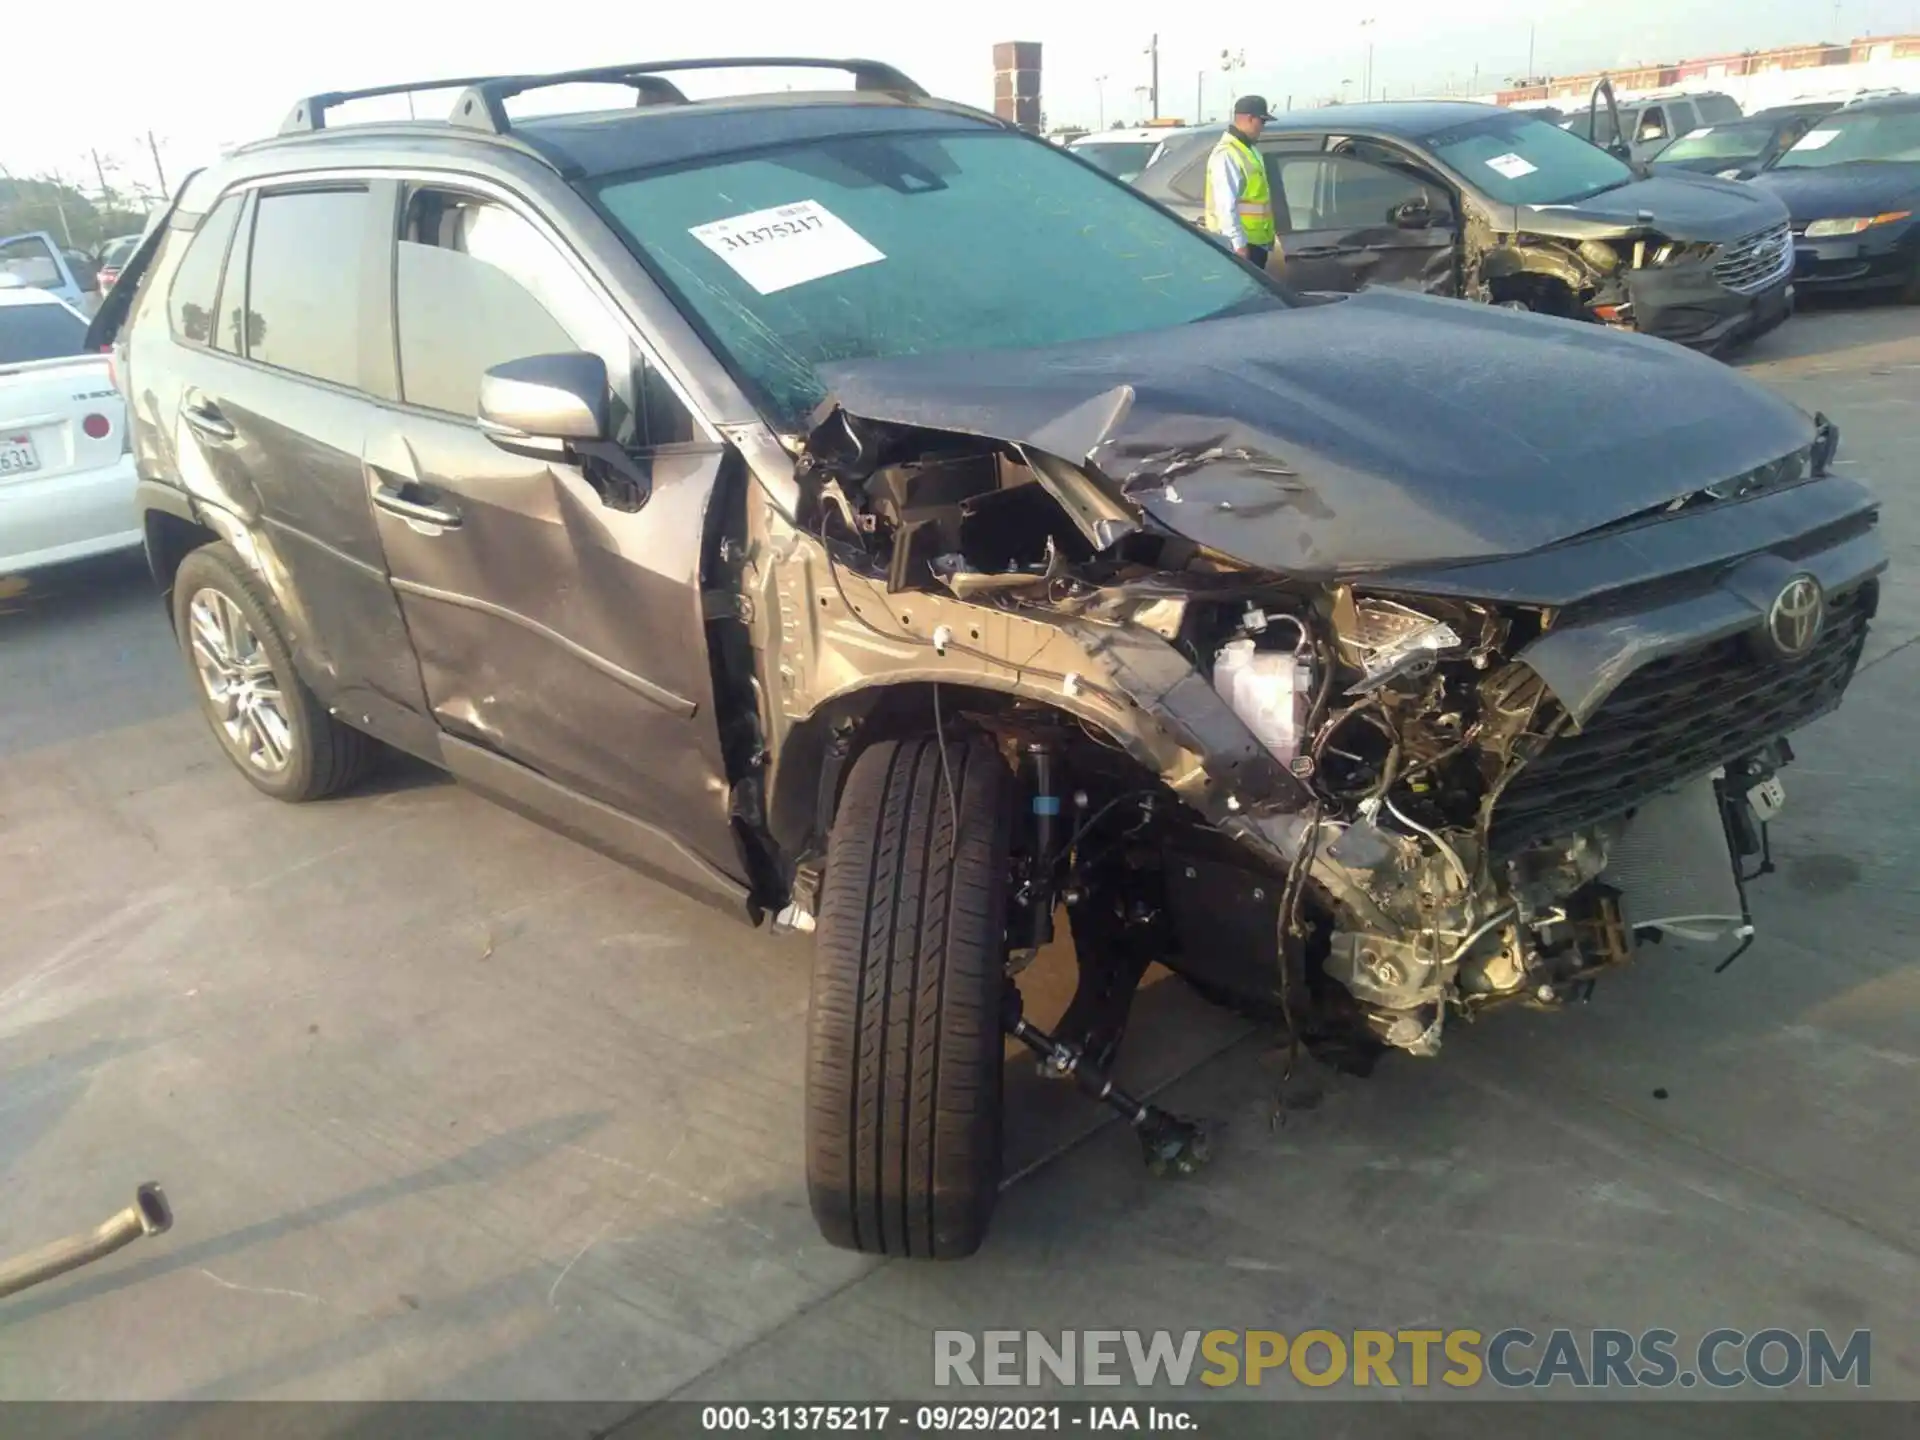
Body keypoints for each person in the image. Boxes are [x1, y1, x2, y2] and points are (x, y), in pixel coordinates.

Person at [1205, 95, 1279, 270]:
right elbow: (1226, 205)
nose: (1263, 128)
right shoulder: (1227, 153)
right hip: (1241, 246)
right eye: (1262, 122)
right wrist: (1238, 245)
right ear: (1249, 118)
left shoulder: (1249, 149)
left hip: (1256, 244)